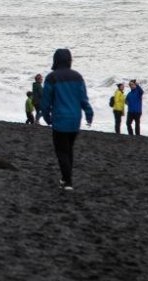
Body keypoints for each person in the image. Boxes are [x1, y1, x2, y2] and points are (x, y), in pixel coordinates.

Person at [40, 49, 93, 191]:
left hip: (60, 120)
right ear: (69, 60)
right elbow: (83, 99)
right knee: (68, 149)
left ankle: (68, 182)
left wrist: (46, 117)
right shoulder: (78, 77)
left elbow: (45, 101)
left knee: (62, 151)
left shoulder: (52, 78)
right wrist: (89, 114)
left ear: (56, 60)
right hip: (75, 120)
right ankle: (65, 178)